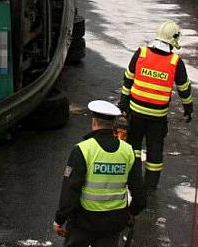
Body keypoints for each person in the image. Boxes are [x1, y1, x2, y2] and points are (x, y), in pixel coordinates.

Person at [54, 100, 146, 247]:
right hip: (114, 222)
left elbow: (70, 190)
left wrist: (60, 219)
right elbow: (139, 190)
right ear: (113, 125)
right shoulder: (127, 150)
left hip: (83, 221)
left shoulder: (83, 150)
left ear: (94, 122)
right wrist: (131, 212)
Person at [119, 21, 193, 191]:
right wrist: (188, 109)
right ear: (173, 39)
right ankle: (150, 186)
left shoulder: (141, 53)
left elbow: (128, 79)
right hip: (157, 117)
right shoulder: (175, 61)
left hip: (135, 112)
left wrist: (123, 103)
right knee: (155, 150)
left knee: (134, 146)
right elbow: (184, 89)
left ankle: (134, 179)